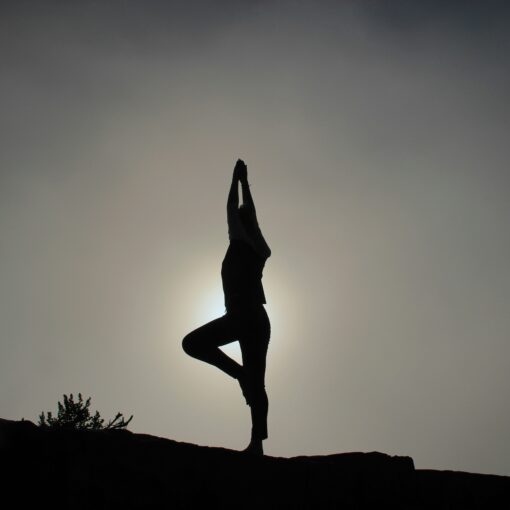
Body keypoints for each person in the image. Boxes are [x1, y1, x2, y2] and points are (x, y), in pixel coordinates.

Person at [182, 159, 271, 455]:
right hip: (259, 318)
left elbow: (235, 210)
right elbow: (251, 214)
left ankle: (239, 375)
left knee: (192, 343)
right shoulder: (259, 248)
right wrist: (246, 184)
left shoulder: (241, 241)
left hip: (243, 314)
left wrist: (236, 182)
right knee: (258, 382)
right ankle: (257, 443)